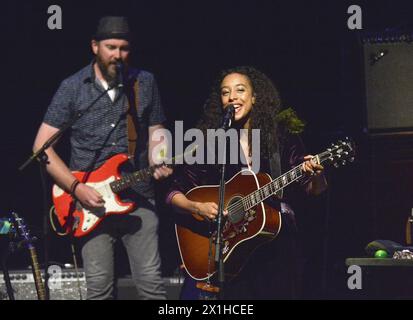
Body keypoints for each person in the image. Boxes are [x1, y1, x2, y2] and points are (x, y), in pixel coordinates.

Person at [33, 16, 172, 300]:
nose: (117, 55)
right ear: (95, 46)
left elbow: (157, 128)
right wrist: (76, 188)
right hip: (88, 203)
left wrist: (161, 156)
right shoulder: (73, 87)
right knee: (99, 292)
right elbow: (41, 147)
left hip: (138, 195)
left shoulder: (144, 82)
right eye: (111, 47)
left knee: (152, 287)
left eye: (123, 48)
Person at [166, 66, 327, 299]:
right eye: (225, 92)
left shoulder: (280, 136)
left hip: (277, 246)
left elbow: (314, 190)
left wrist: (316, 174)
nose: (232, 97)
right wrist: (197, 207)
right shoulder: (214, 143)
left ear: (254, 97)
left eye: (240, 90)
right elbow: (173, 193)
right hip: (232, 251)